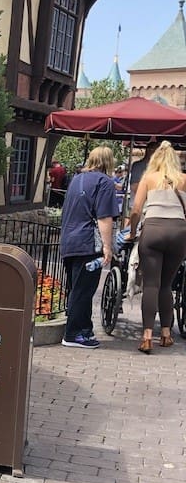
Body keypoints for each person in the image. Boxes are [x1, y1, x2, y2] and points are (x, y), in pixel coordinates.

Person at [127, 140, 186, 353]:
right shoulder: (184, 180)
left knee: (151, 284)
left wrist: (133, 232)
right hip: (179, 232)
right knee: (166, 285)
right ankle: (167, 333)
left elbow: (135, 209)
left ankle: (147, 336)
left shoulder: (148, 178)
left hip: (153, 229)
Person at [59, 146, 117, 348]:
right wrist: (107, 246)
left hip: (69, 241)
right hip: (88, 244)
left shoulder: (76, 179)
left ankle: (84, 330)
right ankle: (73, 334)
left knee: (76, 288)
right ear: (108, 161)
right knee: (84, 290)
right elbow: (104, 217)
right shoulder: (105, 182)